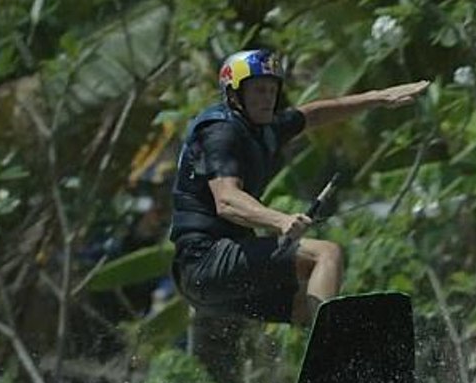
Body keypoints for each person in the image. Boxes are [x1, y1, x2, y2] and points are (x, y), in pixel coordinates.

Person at [170, 48, 429, 328]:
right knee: (326, 254)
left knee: (306, 302)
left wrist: (378, 97)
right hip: (205, 260)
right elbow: (227, 200)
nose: (268, 98)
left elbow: (314, 115)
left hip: (212, 280)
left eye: (272, 90)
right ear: (234, 95)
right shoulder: (221, 132)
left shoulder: (263, 128)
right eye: (259, 90)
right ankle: (330, 345)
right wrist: (280, 220)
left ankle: (332, 352)